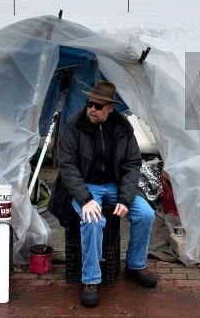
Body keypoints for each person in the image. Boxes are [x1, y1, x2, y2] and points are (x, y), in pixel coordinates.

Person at [56, 81, 157, 308]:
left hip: (115, 184)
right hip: (86, 185)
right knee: (92, 219)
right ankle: (90, 280)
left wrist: (125, 197)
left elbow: (133, 163)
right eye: (89, 103)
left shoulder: (122, 126)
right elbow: (67, 165)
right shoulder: (74, 124)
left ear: (111, 108)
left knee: (146, 214)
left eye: (98, 106)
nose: (91, 108)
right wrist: (85, 199)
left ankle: (135, 265)